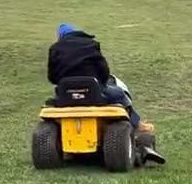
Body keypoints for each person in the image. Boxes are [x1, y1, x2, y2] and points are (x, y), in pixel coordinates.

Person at [47, 23, 165, 164]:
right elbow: (103, 71)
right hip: (93, 93)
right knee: (120, 94)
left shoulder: (55, 49)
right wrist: (101, 82)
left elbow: (52, 77)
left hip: (66, 95)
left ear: (60, 37)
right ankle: (137, 124)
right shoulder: (91, 44)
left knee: (50, 103)